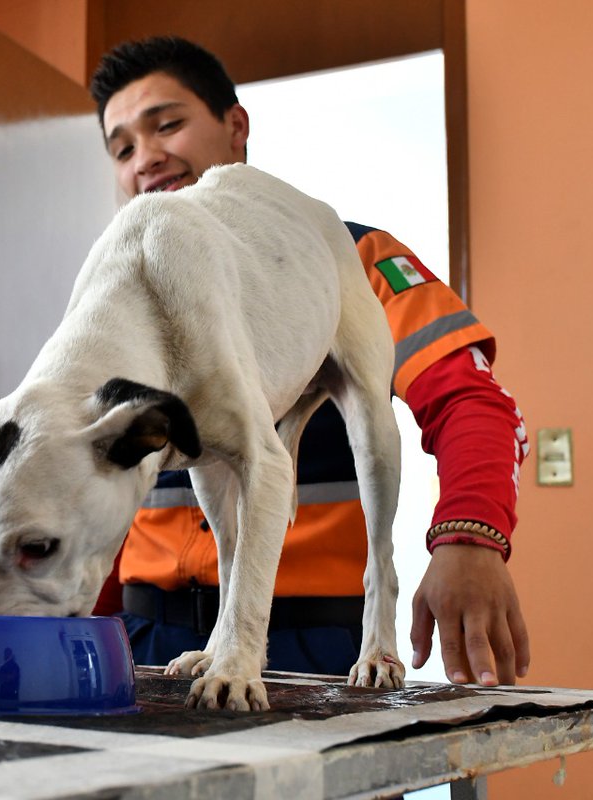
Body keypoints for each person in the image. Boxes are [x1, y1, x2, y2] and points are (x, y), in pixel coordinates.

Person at [87, 37, 530, 687]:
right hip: (148, 640)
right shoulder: (123, 293)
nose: (145, 159)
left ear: (235, 127)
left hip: (312, 645)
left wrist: (470, 536)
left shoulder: (347, 259)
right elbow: (101, 475)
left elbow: (471, 401)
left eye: (168, 124)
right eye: (121, 148)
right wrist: (80, 631)